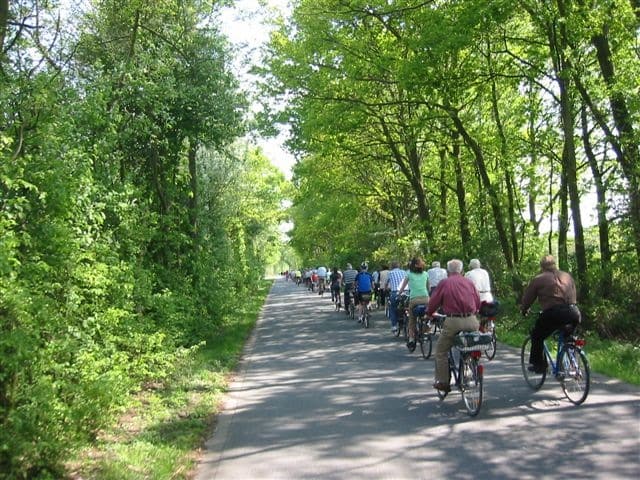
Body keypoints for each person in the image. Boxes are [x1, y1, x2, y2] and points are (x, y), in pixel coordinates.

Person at [520, 254, 581, 374]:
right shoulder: (567, 276)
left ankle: (539, 365)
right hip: (574, 312)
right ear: (555, 264)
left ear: (542, 267)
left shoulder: (539, 279)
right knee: (567, 337)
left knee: (537, 335)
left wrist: (524, 309)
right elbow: (574, 294)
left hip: (554, 313)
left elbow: (528, 299)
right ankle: (571, 360)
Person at [427, 259, 481, 393]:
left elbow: (434, 301)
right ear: (461, 270)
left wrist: (429, 313)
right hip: (472, 320)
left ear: (448, 271)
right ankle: (472, 364)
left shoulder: (444, 283)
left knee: (441, 350)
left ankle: (444, 382)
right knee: (472, 344)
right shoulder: (469, 282)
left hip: (453, 321)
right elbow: (478, 301)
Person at [397, 257, 429, 352]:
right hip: (426, 299)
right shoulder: (426, 274)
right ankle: (426, 330)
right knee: (428, 315)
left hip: (414, 300)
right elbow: (428, 288)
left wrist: (399, 294)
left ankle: (411, 339)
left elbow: (402, 287)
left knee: (412, 320)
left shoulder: (409, 274)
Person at [385, 260, 407, 334]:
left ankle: (394, 325)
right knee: (406, 307)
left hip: (395, 293)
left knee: (393, 308)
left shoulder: (390, 273)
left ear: (392, 266)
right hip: (406, 292)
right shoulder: (404, 272)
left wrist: (385, 289)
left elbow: (386, 283)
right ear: (399, 266)